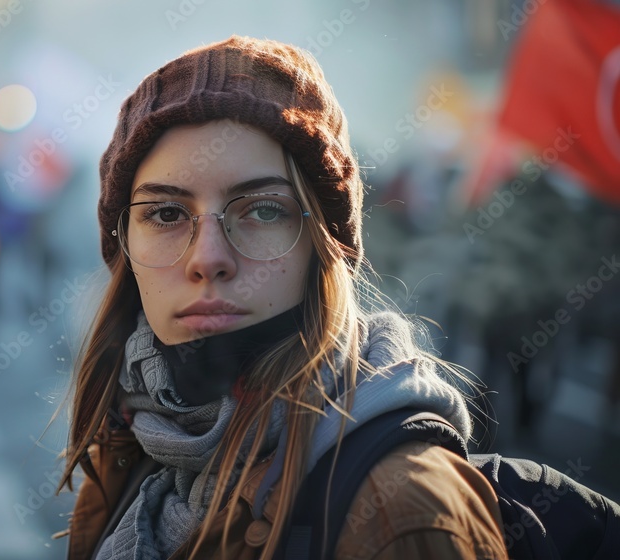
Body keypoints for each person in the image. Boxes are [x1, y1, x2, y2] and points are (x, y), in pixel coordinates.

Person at [58, 36, 508, 559]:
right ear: (126, 246)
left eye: (263, 210)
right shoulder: (130, 447)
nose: (208, 258)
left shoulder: (402, 511)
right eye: (165, 213)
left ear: (324, 247)